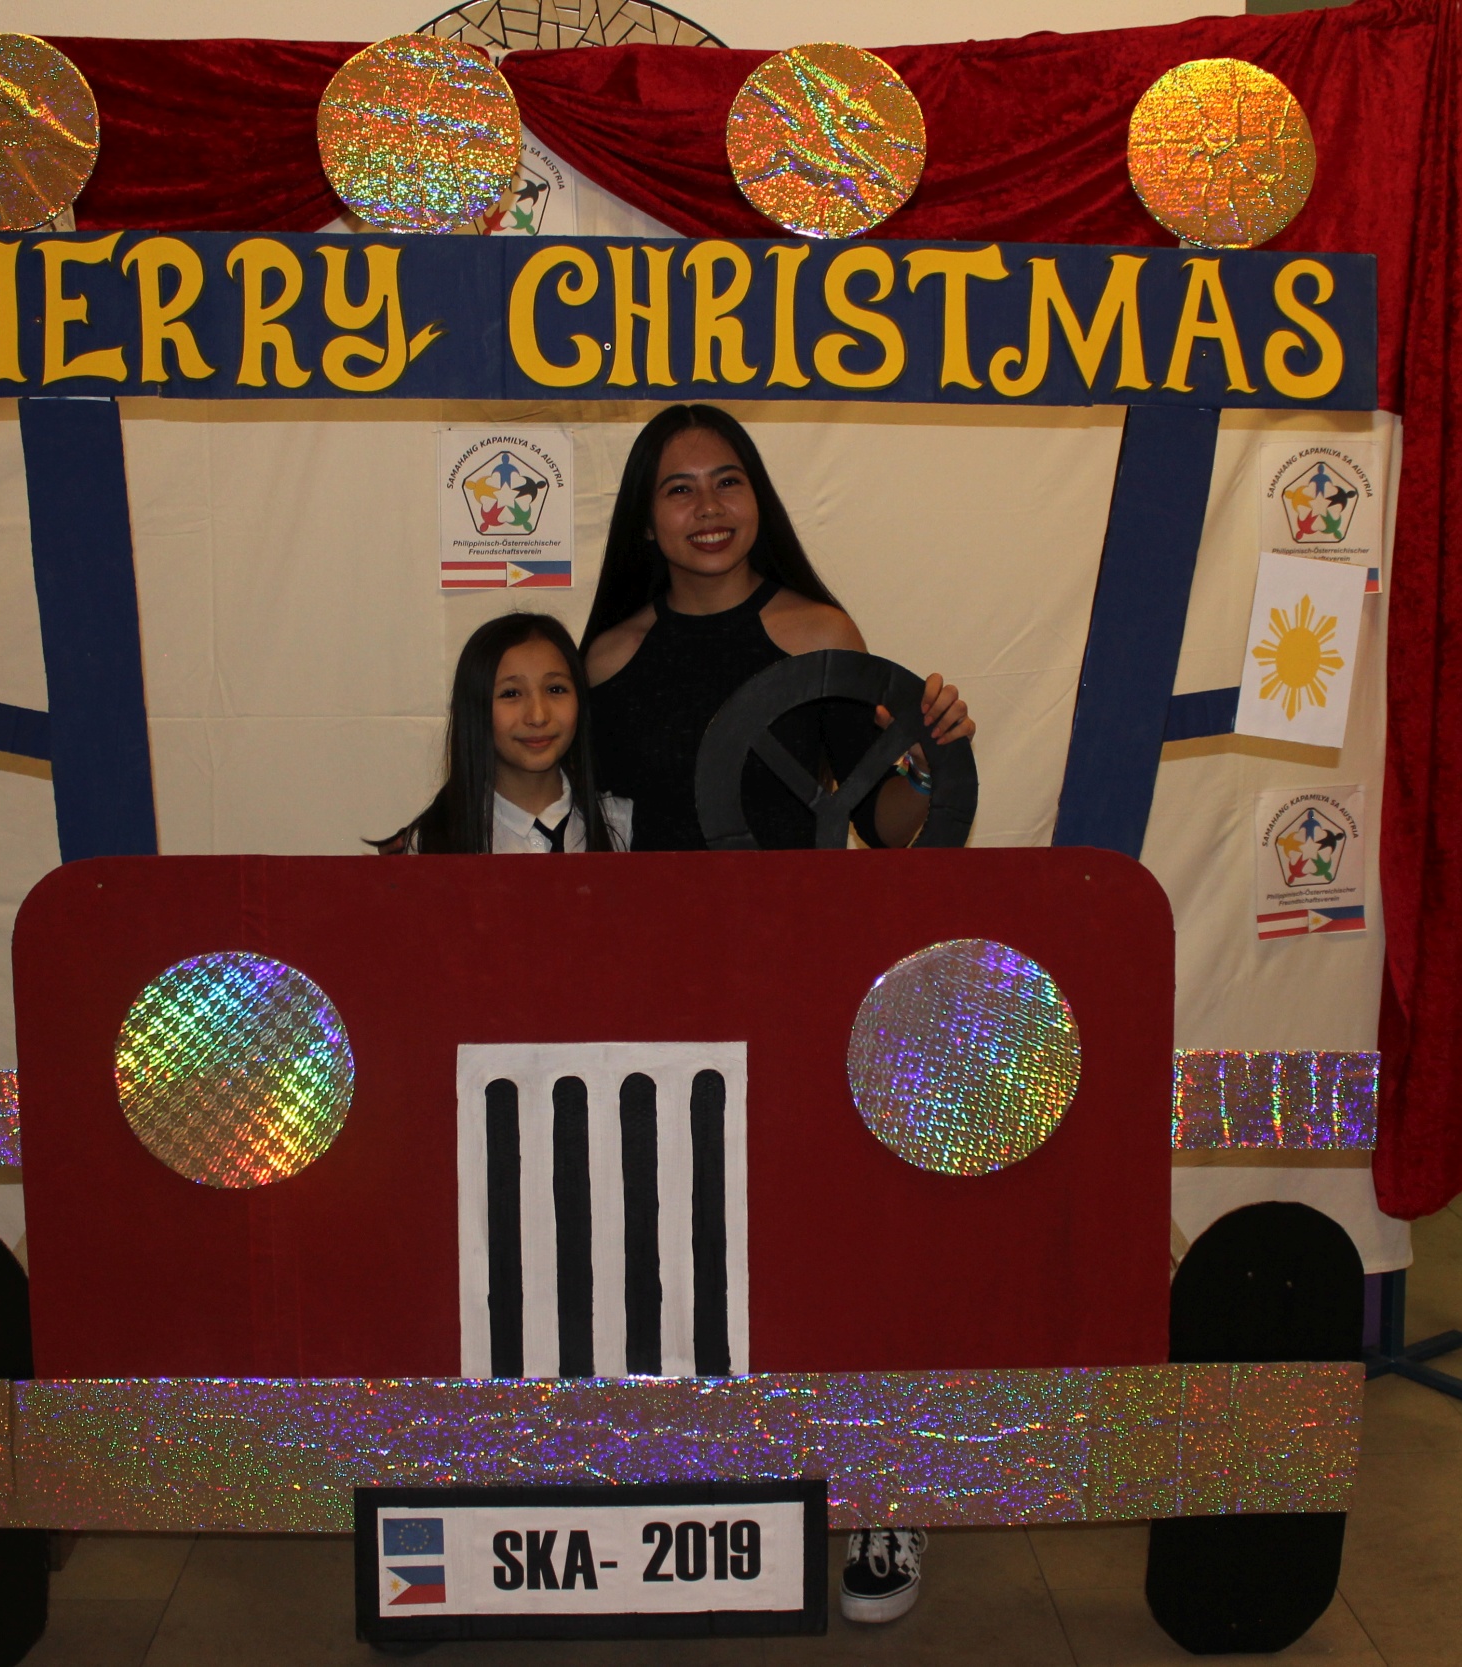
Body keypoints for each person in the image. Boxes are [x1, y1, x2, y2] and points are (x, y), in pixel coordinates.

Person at [581, 403, 972, 1624]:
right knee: (674, 1255)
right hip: (655, 1004)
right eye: (678, 488)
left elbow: (891, 829)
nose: (707, 508)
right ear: (644, 517)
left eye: (727, 481)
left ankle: (885, 1496)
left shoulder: (819, 633)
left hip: (807, 992)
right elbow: (569, 836)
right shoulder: (605, 658)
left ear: (757, 497)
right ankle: (696, 1489)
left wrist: (921, 752)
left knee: (842, 1244)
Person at [374, 611, 629, 854]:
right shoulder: (430, 843)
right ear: (476, 708)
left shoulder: (622, 824)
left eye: (555, 689)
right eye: (511, 693)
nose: (538, 716)